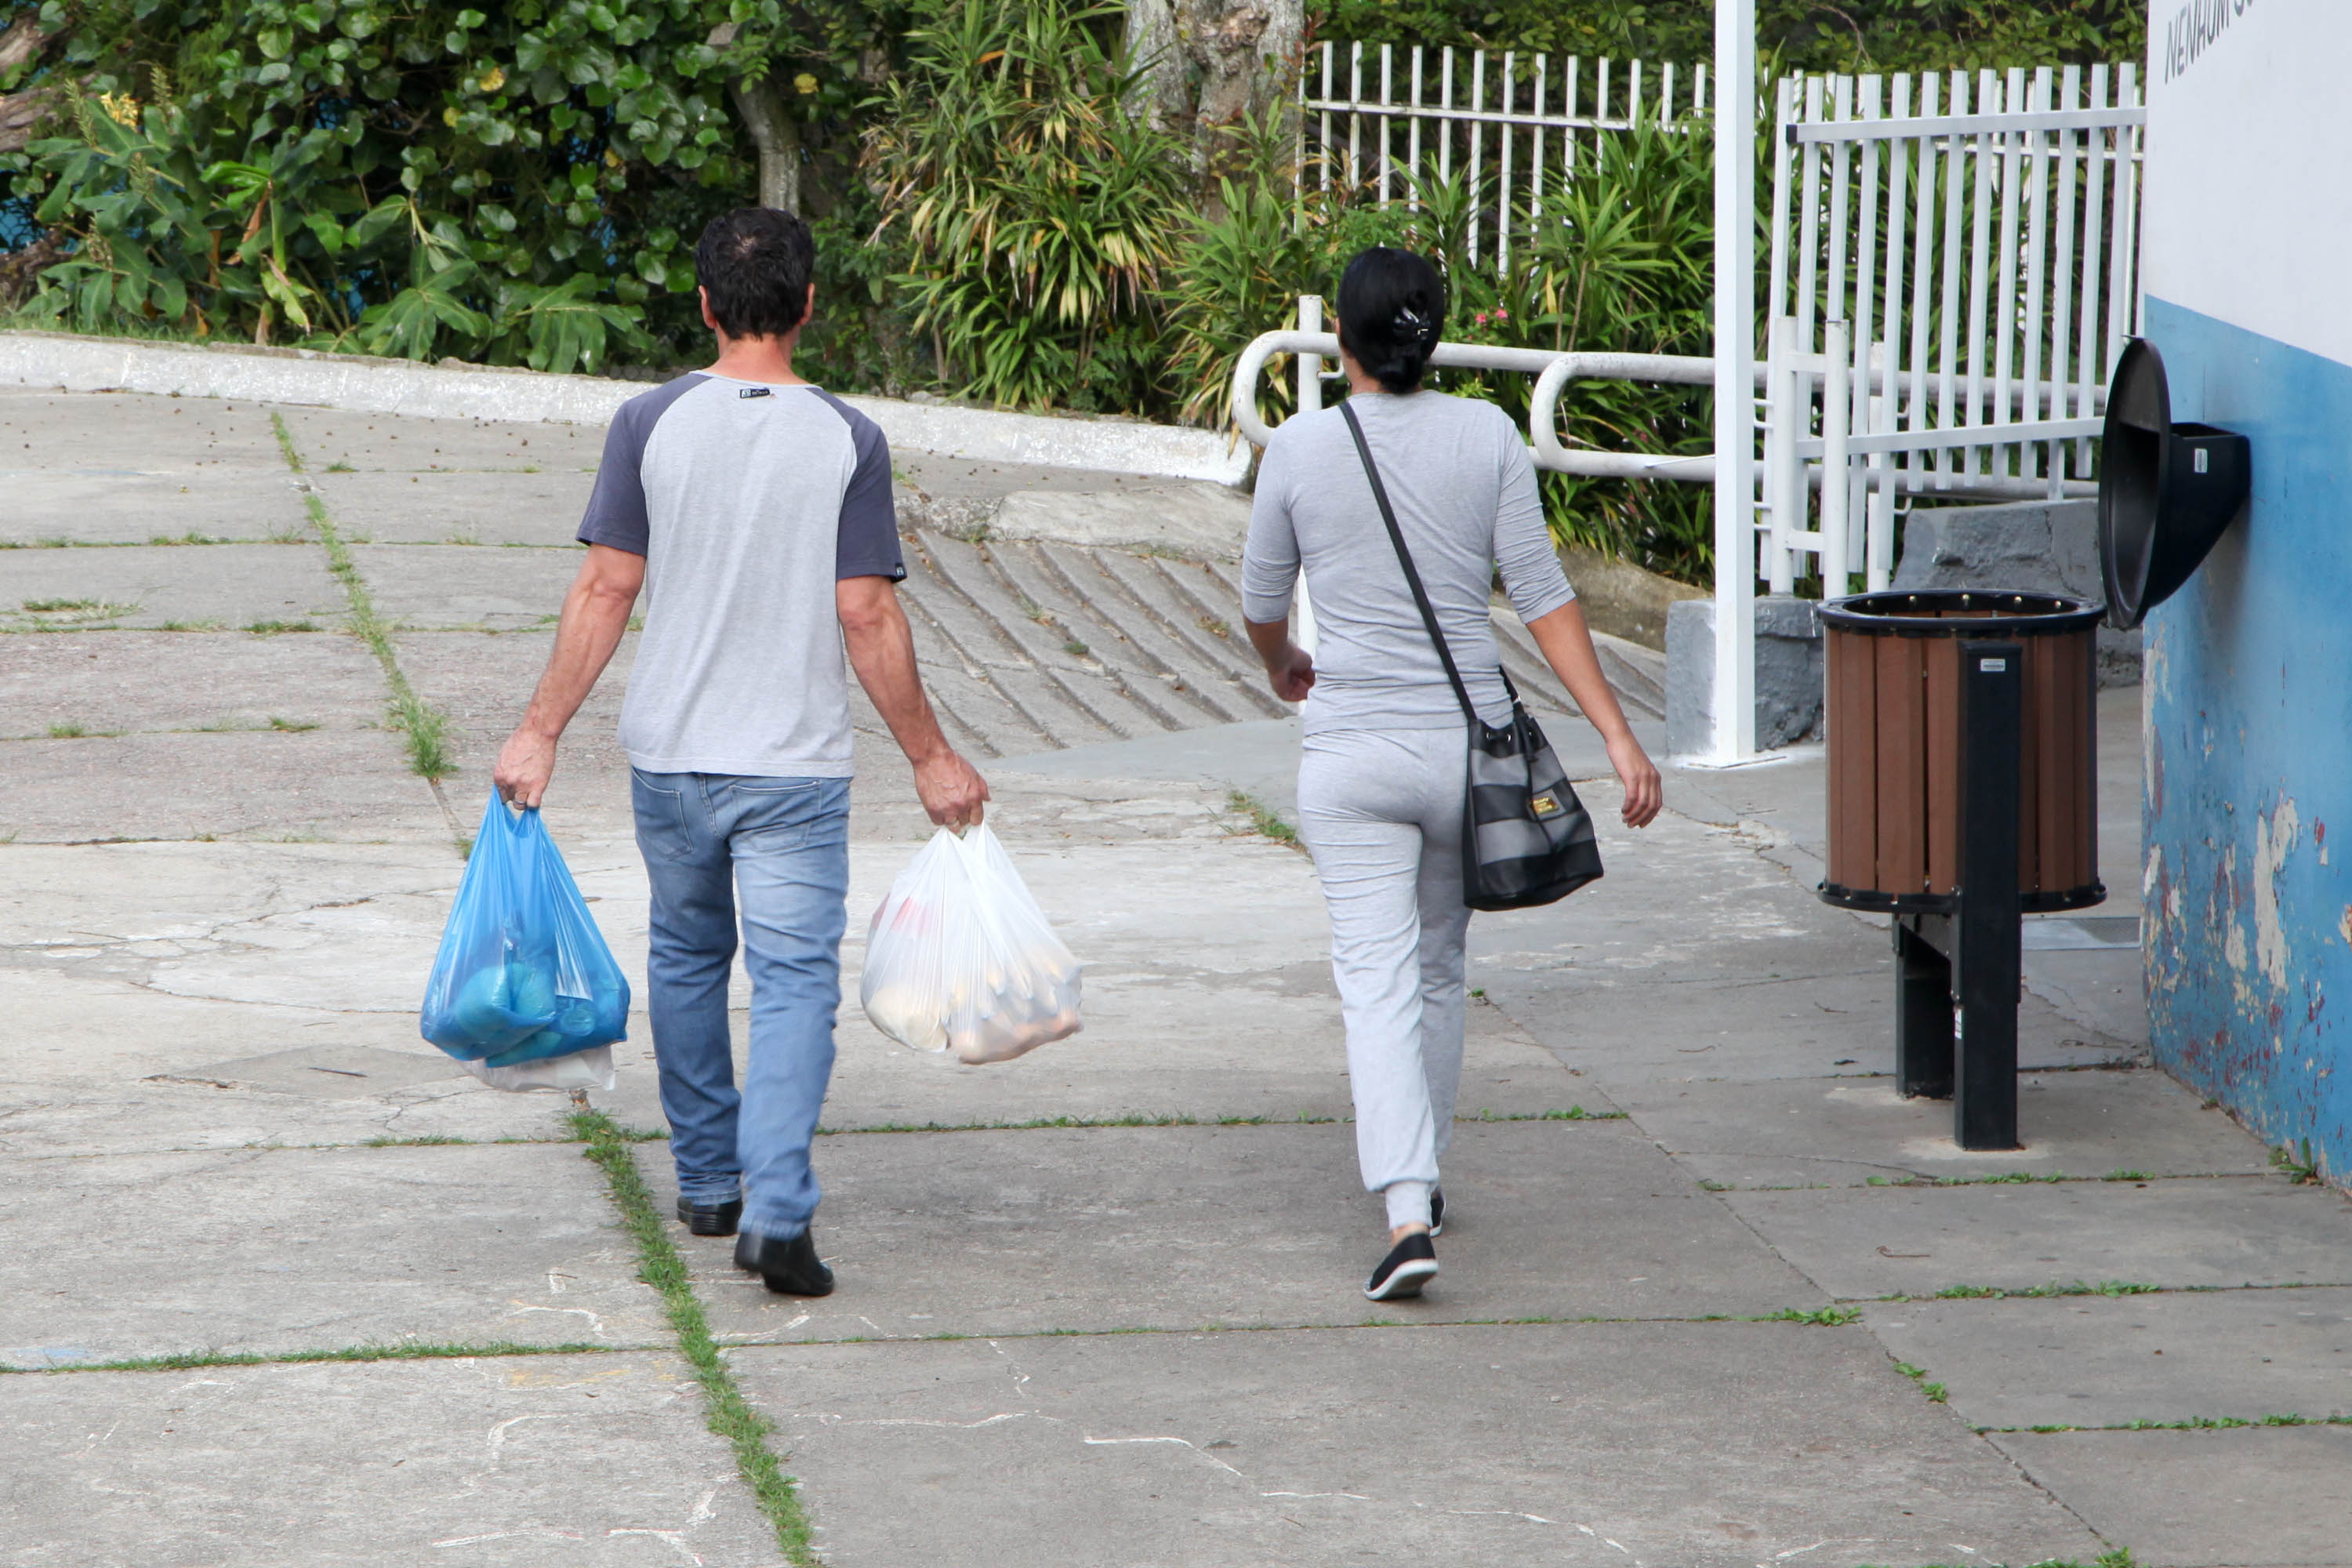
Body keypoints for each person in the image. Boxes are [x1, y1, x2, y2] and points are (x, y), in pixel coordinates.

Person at [492, 207, 988, 1297]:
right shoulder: (849, 438)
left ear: (707, 304)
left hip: (671, 756)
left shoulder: (648, 422)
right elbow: (867, 613)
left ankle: (710, 1184)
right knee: (794, 982)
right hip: (794, 768)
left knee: (685, 957)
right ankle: (776, 1208)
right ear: (809, 305)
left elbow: (606, 586)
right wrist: (930, 757)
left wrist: (539, 731)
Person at [1240, 246, 1664, 1302]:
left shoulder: (1299, 447)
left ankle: (1403, 1212)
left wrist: (1284, 663)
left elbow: (1261, 601)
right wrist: (1617, 736)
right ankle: (1423, 1187)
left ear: (1343, 341)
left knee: (1376, 978)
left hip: (1353, 757)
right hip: (1468, 757)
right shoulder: (1489, 436)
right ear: (1430, 337)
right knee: (1435, 967)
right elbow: (1544, 595)